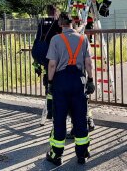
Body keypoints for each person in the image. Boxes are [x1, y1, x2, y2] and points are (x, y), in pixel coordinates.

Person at [45, 12, 95, 166]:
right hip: (78, 81)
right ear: (73, 23)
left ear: (60, 24)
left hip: (61, 82)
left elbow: (52, 64)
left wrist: (50, 83)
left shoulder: (56, 39)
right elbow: (88, 63)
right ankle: (82, 154)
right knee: (80, 118)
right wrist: (91, 80)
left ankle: (56, 155)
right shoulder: (83, 38)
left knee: (59, 119)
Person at [32, 5, 61, 120]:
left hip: (39, 56)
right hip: (50, 57)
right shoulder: (56, 22)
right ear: (55, 12)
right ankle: (54, 110)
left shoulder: (42, 21)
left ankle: (49, 110)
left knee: (48, 83)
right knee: (53, 83)